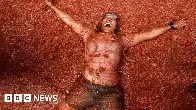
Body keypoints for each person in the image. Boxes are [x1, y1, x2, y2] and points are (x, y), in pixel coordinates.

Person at [45, 0, 187, 110]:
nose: (109, 20)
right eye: (106, 18)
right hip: (85, 87)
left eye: (113, 20)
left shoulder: (124, 40)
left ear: (116, 26)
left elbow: (149, 34)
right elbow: (69, 20)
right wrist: (52, 6)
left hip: (110, 92)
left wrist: (170, 26)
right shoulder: (88, 34)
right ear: (100, 23)